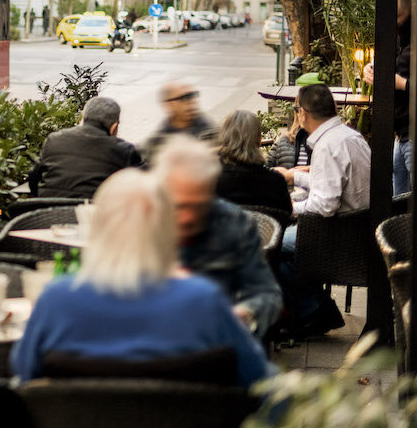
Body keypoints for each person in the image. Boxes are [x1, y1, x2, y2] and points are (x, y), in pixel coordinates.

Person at [10, 169, 270, 386]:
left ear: (98, 228)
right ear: (167, 231)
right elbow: (260, 381)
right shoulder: (203, 301)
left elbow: (23, 371)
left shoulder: (56, 300)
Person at [157, 136, 283, 338]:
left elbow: (267, 294)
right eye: (180, 206)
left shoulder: (235, 224)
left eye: (199, 205)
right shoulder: (146, 221)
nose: (188, 216)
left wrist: (246, 313)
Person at [272, 84, 371, 336]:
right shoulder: (349, 136)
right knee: (281, 247)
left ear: (302, 113)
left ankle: (314, 311)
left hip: (338, 237)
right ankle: (314, 309)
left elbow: (325, 205)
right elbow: (333, 184)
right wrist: (294, 178)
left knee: (270, 246)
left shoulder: (327, 146)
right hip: (358, 227)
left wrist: (290, 207)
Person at [26, 96, 143, 198]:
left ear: (83, 118)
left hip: (46, 214)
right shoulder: (124, 151)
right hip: (93, 216)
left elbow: (34, 178)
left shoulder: (54, 139)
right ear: (114, 127)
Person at [362, 0, 414, 194]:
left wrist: (401, 84)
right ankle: (397, 228)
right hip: (400, 131)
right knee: (398, 195)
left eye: (399, 16)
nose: (396, 21)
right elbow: (386, 61)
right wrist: (371, 68)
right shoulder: (397, 35)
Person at [215, 110, 292, 223]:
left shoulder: (211, 181)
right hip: (267, 240)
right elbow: (287, 216)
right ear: (259, 140)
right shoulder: (276, 181)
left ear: (223, 138)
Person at [141, 81, 218, 162]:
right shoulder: (158, 140)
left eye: (194, 95)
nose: (192, 100)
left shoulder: (210, 132)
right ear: (168, 104)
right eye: (184, 97)